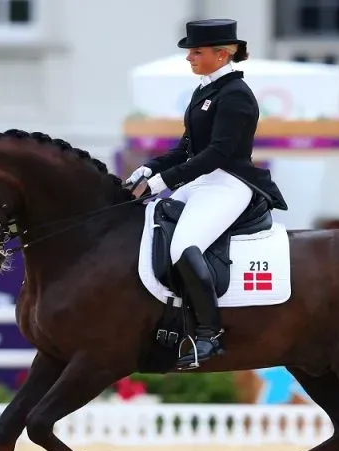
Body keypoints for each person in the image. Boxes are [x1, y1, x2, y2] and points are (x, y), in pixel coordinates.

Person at [122, 18, 288, 370]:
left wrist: (162, 182)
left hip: (229, 183)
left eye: (196, 52)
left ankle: (209, 336)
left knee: (184, 245)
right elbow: (187, 148)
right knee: (146, 223)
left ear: (222, 53)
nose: (189, 58)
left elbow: (218, 154)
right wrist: (149, 168)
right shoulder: (205, 91)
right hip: (202, 182)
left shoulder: (237, 97)